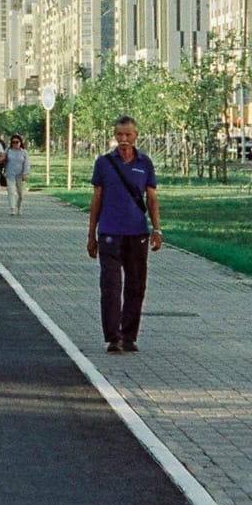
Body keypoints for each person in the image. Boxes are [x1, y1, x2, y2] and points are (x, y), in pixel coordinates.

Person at [87, 115, 162, 354]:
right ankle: (113, 337)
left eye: (128, 135)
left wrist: (157, 229)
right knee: (110, 286)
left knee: (136, 285)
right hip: (109, 232)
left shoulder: (145, 163)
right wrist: (91, 234)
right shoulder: (104, 163)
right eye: (119, 135)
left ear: (136, 135)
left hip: (137, 233)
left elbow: (151, 198)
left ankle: (129, 335)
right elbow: (97, 198)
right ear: (114, 135)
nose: (123, 140)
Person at [4, 133, 29, 214]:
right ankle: (12, 208)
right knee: (11, 191)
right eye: (13, 142)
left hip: (20, 175)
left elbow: (26, 164)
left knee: (20, 194)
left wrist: (25, 174)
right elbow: (3, 160)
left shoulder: (24, 152)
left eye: (17, 142)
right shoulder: (8, 151)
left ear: (20, 142)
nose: (15, 144)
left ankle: (19, 207)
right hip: (10, 174)